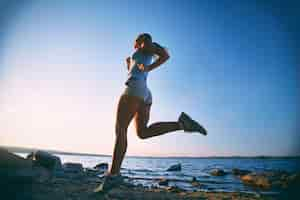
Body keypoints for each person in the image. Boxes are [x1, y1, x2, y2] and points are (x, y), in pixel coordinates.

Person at [94, 33, 207, 192]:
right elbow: (139, 69)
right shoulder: (140, 54)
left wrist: (149, 65)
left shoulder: (145, 46)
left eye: (138, 41)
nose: (137, 44)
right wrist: (129, 64)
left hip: (134, 89)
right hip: (144, 92)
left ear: (140, 40)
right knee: (142, 133)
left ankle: (113, 176)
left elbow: (165, 55)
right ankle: (182, 124)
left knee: (120, 130)